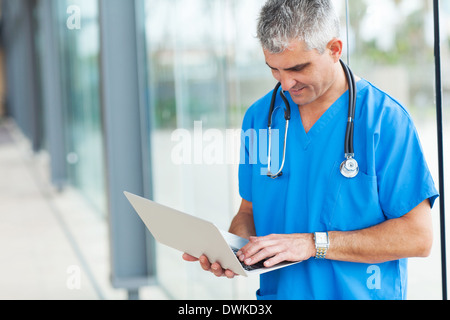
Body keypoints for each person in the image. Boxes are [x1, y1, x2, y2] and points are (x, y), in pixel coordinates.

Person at [183, 0, 439, 300]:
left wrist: (313, 243)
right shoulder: (259, 117)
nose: (286, 83)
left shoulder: (384, 120)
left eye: (297, 68)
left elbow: (418, 237)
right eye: (274, 69)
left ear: (334, 49)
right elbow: (249, 211)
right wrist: (233, 251)